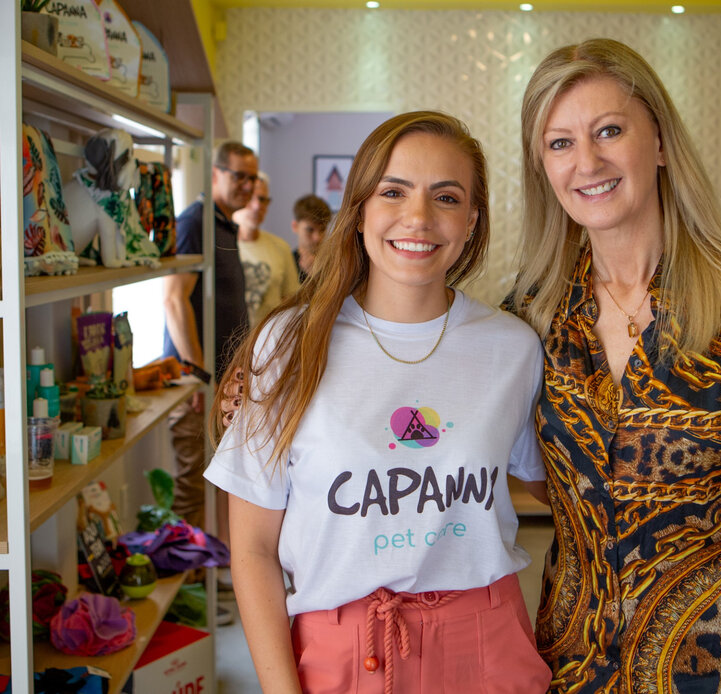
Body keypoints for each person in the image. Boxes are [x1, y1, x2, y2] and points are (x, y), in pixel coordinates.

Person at [506, 39, 721, 693]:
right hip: (576, 671)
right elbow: (544, 481)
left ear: (658, 142)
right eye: (560, 143)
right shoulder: (530, 316)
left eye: (608, 130)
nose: (588, 162)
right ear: (542, 165)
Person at [204, 112, 553, 694]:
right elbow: (254, 549)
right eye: (394, 192)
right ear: (360, 209)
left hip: (486, 642)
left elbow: (566, 489)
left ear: (471, 220)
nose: (418, 218)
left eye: (446, 197)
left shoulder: (513, 347)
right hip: (340, 648)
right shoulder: (289, 344)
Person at [163, 140, 255, 624]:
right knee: (190, 490)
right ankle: (184, 602)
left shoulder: (225, 225)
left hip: (218, 385)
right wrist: (198, 376)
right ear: (215, 174)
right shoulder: (195, 220)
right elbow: (175, 300)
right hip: (195, 385)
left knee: (219, 483)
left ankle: (209, 579)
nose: (247, 185)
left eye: (251, 178)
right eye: (238, 176)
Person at [233, 172, 300, 327]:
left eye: (262, 199)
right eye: (251, 197)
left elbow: (291, 302)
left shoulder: (280, 247)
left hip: (268, 343)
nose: (257, 206)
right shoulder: (220, 246)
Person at [291, 193, 331, 282]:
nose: (317, 238)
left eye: (322, 230)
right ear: (295, 226)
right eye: (310, 230)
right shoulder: (286, 262)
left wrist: (317, 276)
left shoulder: (335, 265)